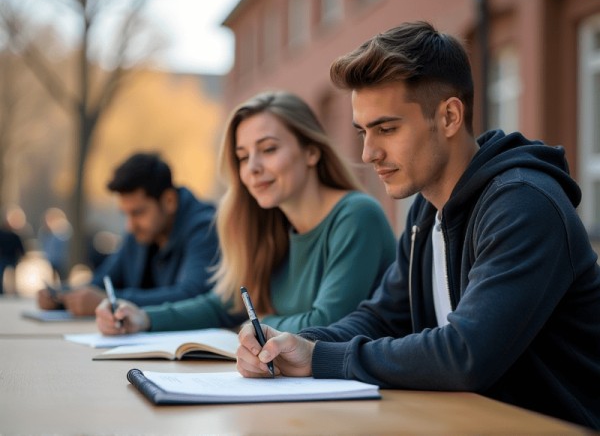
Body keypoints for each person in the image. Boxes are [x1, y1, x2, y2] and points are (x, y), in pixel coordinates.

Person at [236, 22, 600, 430]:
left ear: (448, 116)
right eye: (362, 131)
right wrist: (292, 345)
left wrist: (319, 357)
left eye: (386, 129)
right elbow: (382, 318)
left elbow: (466, 354)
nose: (368, 152)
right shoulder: (426, 213)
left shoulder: (524, 204)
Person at [96, 91, 396, 335]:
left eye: (268, 149)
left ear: (311, 152)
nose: (252, 168)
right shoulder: (268, 226)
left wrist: (256, 324)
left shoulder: (357, 216)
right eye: (242, 157)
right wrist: (143, 318)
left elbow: (327, 321)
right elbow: (223, 306)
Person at [37, 152, 219, 316]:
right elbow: (103, 282)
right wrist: (61, 295)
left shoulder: (205, 228)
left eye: (138, 213)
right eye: (125, 214)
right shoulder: (141, 233)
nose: (130, 226)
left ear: (169, 201)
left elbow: (192, 296)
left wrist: (110, 302)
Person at [0, 211, 25, 294]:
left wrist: (22, 255)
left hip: (12, 257)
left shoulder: (15, 235)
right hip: (4, 257)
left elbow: (20, 247)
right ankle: (2, 290)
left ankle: (13, 290)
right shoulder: (2, 234)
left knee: (13, 275)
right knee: (2, 274)